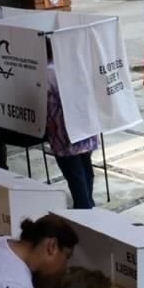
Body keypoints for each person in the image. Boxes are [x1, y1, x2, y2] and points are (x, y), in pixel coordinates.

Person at [46, 39, 100, 209]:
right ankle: (88, 202)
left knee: (74, 172)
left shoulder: (46, 73)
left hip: (63, 130)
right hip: (85, 124)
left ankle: (83, 206)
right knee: (85, 167)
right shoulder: (73, 65)